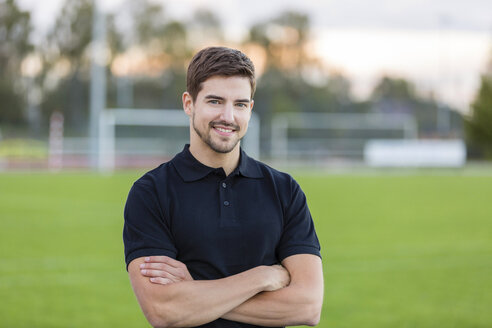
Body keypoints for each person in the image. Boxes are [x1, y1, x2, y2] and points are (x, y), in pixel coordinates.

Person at [123, 46, 323, 328]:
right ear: (188, 103)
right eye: (215, 101)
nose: (228, 117)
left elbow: (307, 306)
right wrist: (262, 277)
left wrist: (197, 292)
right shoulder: (150, 192)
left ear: (250, 109)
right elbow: (164, 310)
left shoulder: (284, 190)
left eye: (240, 104)